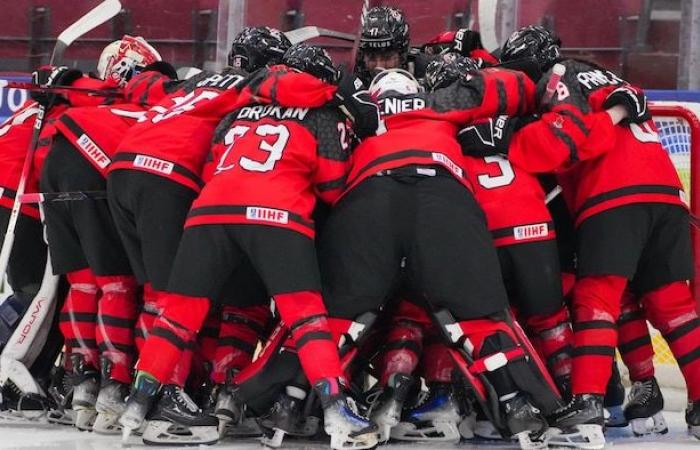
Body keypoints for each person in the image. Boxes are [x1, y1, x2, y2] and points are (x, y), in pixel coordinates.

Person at [119, 44, 379, 450]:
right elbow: (333, 186)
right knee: (307, 317)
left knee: (178, 316)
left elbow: (211, 165)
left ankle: (137, 405)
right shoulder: (324, 111)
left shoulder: (239, 107)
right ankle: (336, 411)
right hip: (277, 214)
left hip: (211, 212)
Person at [463, 24, 700, 446]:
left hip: (612, 196)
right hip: (665, 192)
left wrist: (514, 137)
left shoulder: (557, 77)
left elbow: (563, 143)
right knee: (672, 304)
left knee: (595, 301)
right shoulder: (613, 79)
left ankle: (586, 407)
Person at [316, 63, 564, 450]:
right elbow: (515, 86)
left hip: (369, 199)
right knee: (475, 316)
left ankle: (302, 400)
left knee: (339, 315)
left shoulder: (361, 113)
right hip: (447, 201)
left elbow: (330, 182)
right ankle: (518, 404)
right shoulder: (438, 105)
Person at [106, 27, 289, 443]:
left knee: (155, 293)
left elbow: (140, 87)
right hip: (167, 176)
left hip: (122, 172)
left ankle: (146, 391)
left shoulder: (194, 81)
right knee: (177, 298)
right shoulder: (259, 85)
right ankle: (164, 397)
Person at [40, 35, 171, 431]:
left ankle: (82, 383)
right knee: (117, 285)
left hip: (58, 160)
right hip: (97, 164)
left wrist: (66, 80)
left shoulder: (84, 95)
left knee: (82, 285)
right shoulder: (151, 97)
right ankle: (114, 385)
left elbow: (47, 82)